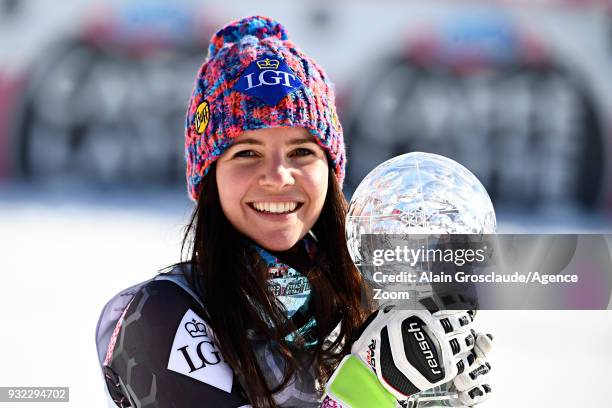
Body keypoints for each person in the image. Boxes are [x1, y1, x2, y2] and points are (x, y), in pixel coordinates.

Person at [95, 16, 493, 408]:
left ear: (331, 170)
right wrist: (371, 389)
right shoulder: (163, 315)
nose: (278, 176)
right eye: (247, 152)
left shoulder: (363, 302)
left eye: (302, 151)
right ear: (209, 175)